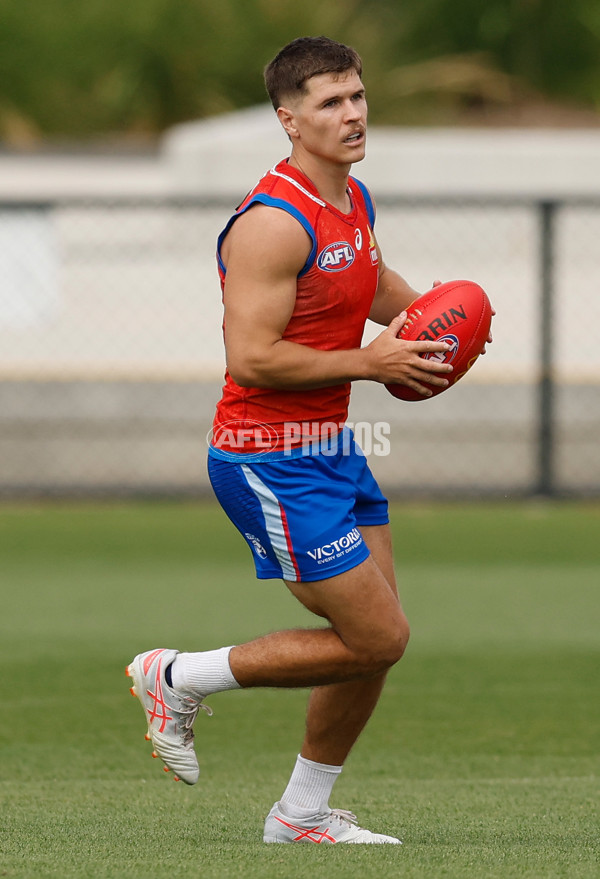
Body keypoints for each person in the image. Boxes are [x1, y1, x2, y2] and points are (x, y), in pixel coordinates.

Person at [127, 36, 480, 845]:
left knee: (375, 643)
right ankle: (176, 676)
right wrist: (371, 360)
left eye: (357, 96)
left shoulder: (352, 199)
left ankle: (301, 814)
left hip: (330, 446)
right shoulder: (271, 224)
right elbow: (251, 357)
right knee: (380, 635)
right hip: (266, 458)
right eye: (330, 103)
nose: (353, 114)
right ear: (289, 120)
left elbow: (371, 281)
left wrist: (436, 324)